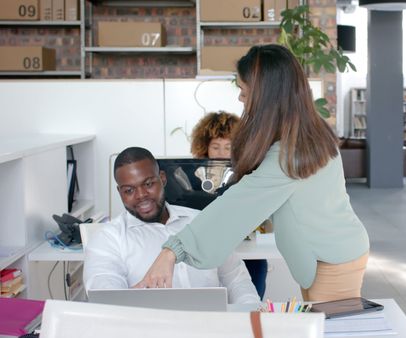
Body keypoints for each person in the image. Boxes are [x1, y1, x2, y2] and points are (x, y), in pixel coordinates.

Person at [136, 44, 370, 302]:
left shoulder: (291, 155)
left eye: (243, 91)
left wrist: (172, 252)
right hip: (334, 254)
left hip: (332, 262)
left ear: (266, 96)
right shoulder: (305, 136)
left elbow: (238, 205)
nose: (240, 98)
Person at [83, 147, 259, 304]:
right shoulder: (108, 239)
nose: (141, 195)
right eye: (129, 190)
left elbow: (237, 280)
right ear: (119, 192)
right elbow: (106, 295)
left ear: (162, 178)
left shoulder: (202, 222)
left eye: (148, 184)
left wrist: (249, 317)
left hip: (210, 327)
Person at [190, 111, 269, 300]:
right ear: (204, 148)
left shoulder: (252, 175)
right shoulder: (193, 176)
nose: (221, 153)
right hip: (209, 252)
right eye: (215, 147)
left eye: (228, 147)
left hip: (247, 252)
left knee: (249, 302)